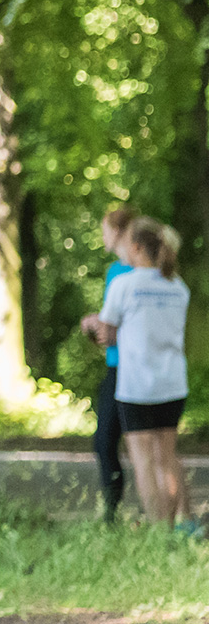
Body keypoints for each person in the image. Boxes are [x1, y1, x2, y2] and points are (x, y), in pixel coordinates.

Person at [86, 215, 191, 527]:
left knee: (143, 460)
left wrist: (92, 328)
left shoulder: (123, 285)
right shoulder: (178, 286)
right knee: (166, 459)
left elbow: (107, 335)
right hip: (173, 384)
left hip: (136, 388)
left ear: (135, 247)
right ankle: (176, 525)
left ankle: (160, 532)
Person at [82, 207, 138, 521]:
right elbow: (110, 329)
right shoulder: (115, 271)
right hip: (117, 364)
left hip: (129, 370)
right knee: (108, 442)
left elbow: (114, 328)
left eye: (104, 229)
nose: (102, 235)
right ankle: (111, 513)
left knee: (115, 442)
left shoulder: (128, 273)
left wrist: (96, 324)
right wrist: (99, 327)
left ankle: (114, 514)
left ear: (117, 232)